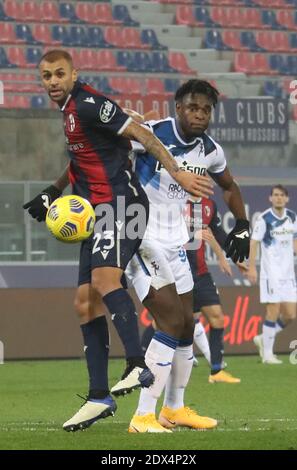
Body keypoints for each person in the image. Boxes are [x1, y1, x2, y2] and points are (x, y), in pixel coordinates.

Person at [23, 50, 213, 432]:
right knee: (84, 302)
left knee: (106, 281)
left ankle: (137, 364)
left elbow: (141, 134)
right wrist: (53, 190)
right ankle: (98, 397)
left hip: (121, 204)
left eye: (60, 73)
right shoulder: (71, 113)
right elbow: (82, 159)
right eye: (47, 76)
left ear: (74, 74)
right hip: (97, 209)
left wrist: (175, 172)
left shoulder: (91, 104)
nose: (53, 81)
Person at [125, 79, 250, 433]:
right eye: (192, 107)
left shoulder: (210, 150)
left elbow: (229, 186)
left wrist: (242, 224)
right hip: (142, 237)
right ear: (178, 108)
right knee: (169, 321)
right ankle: (142, 416)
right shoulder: (153, 133)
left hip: (177, 242)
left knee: (184, 324)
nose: (199, 114)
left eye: (205, 109)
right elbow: (109, 142)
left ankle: (174, 409)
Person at [186, 197, 247, 383]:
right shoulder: (173, 201)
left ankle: (216, 371)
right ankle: (141, 361)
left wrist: (231, 257)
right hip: (177, 271)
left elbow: (217, 233)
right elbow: (163, 233)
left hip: (201, 273)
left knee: (217, 317)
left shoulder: (209, 204)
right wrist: (190, 236)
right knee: (168, 322)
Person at [247, 185, 297, 364]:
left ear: (287, 199)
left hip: (288, 274)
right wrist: (252, 267)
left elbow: (294, 239)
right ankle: (268, 354)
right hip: (271, 274)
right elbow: (253, 243)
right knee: (273, 311)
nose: (278, 198)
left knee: (291, 315)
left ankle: (263, 338)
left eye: (282, 195)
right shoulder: (264, 219)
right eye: (275, 195)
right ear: (270, 198)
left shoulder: (292, 217)